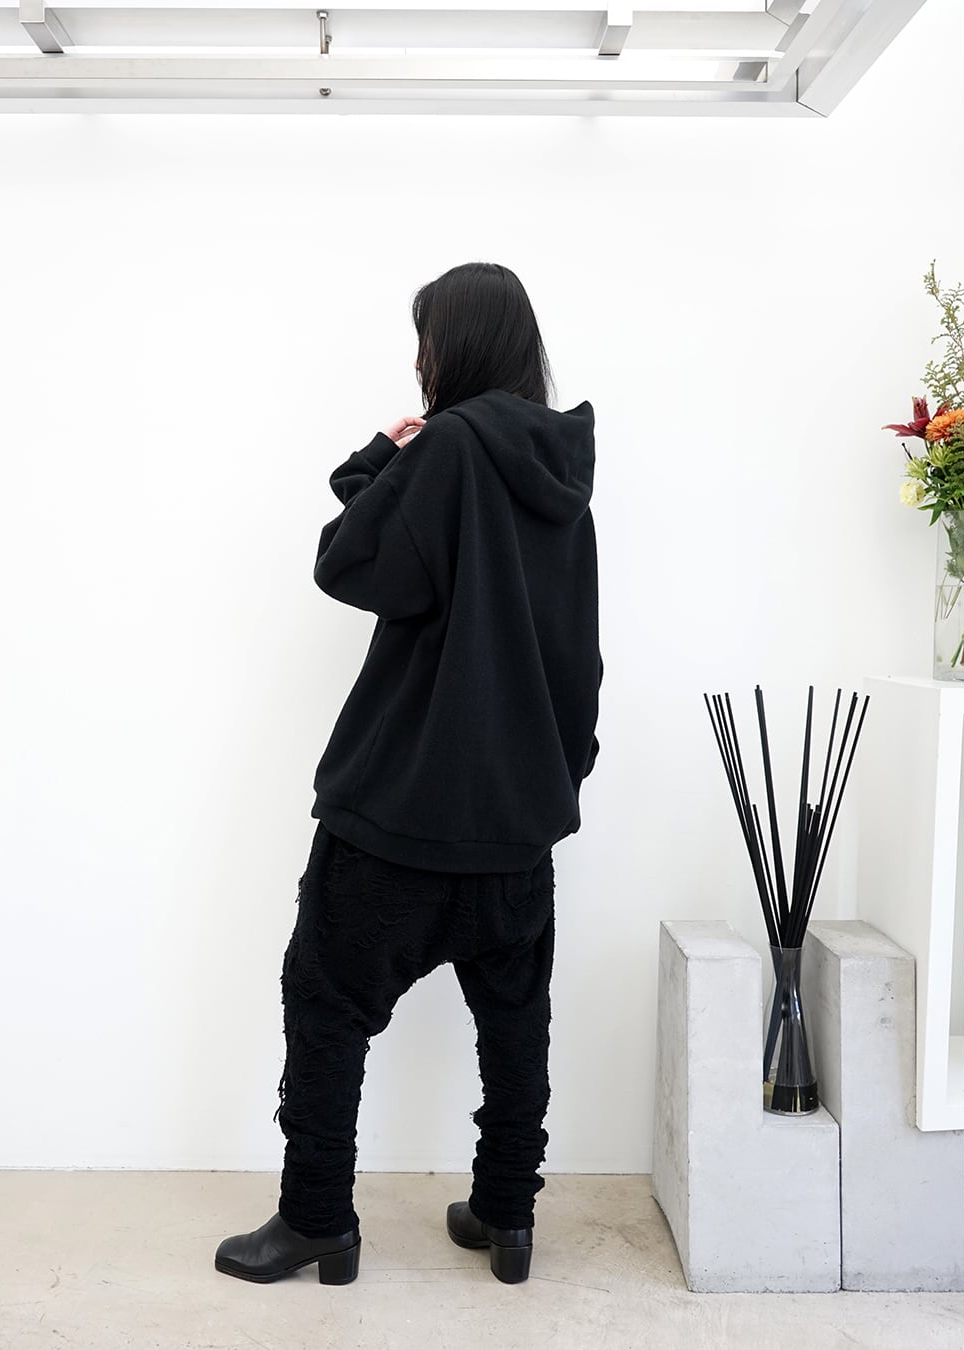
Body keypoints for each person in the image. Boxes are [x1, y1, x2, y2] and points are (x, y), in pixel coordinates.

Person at [215, 262, 602, 1287]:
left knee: (326, 1002)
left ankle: (317, 1223)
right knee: (515, 1022)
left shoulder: (450, 448)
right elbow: (579, 653)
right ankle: (507, 1218)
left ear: (458, 345)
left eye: (427, 338)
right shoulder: (561, 476)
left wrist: (381, 454)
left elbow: (351, 562)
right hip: (516, 823)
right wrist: (558, 779)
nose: (420, 359)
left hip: (401, 815)